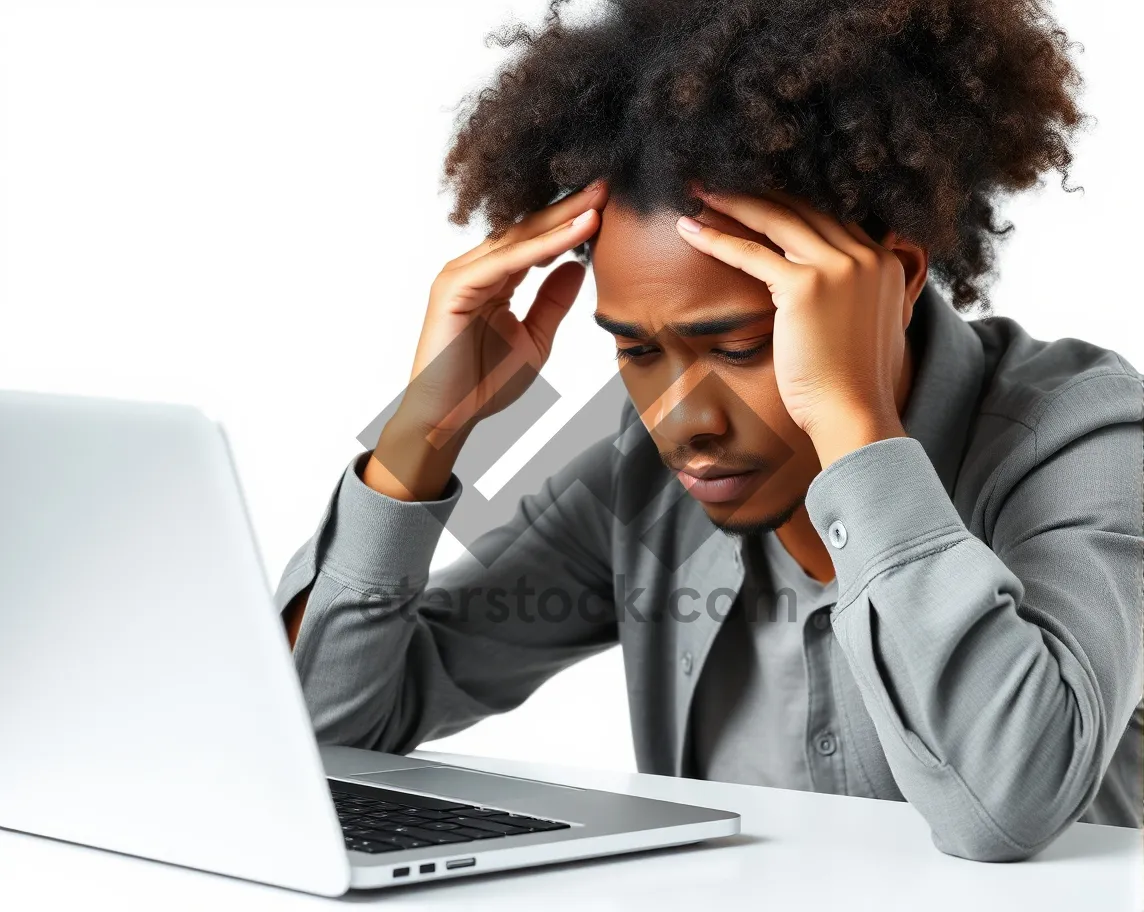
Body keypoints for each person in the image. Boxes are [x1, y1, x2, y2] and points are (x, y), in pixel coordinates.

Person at [276, 0, 1143, 862]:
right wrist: (420, 437)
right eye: (636, 350)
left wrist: (850, 420)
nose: (681, 423)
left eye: (737, 345)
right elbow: (324, 730)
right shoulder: (641, 482)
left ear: (895, 282)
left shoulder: (1086, 439)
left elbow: (1007, 806)